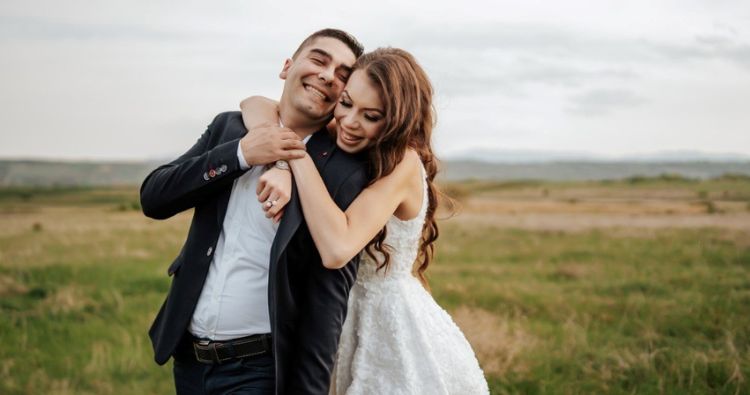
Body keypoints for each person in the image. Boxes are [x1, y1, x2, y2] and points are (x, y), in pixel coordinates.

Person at [241, 48, 489, 394]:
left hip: (390, 327)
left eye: (371, 115)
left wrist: (293, 154)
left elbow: (337, 248)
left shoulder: (404, 163)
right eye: (345, 103)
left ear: (398, 119)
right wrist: (281, 158)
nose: (350, 122)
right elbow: (254, 104)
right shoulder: (346, 130)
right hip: (336, 317)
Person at [140, 28, 371, 395]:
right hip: (188, 360)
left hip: (260, 370)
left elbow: (327, 298)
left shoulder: (342, 170)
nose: (328, 75)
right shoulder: (228, 128)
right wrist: (241, 154)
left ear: (343, 97)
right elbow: (154, 198)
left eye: (343, 75)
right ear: (287, 67)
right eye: (318, 59)